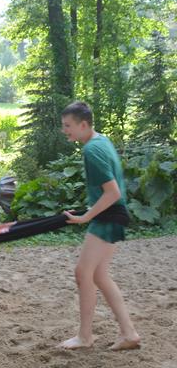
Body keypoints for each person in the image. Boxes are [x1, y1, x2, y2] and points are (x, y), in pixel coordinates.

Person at [60, 101, 141, 351]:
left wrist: (86, 216)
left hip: (108, 216)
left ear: (84, 125)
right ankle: (129, 333)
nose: (64, 130)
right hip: (112, 215)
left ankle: (85, 337)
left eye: (68, 125)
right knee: (98, 275)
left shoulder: (92, 150)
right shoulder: (101, 141)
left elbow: (113, 192)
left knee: (83, 273)